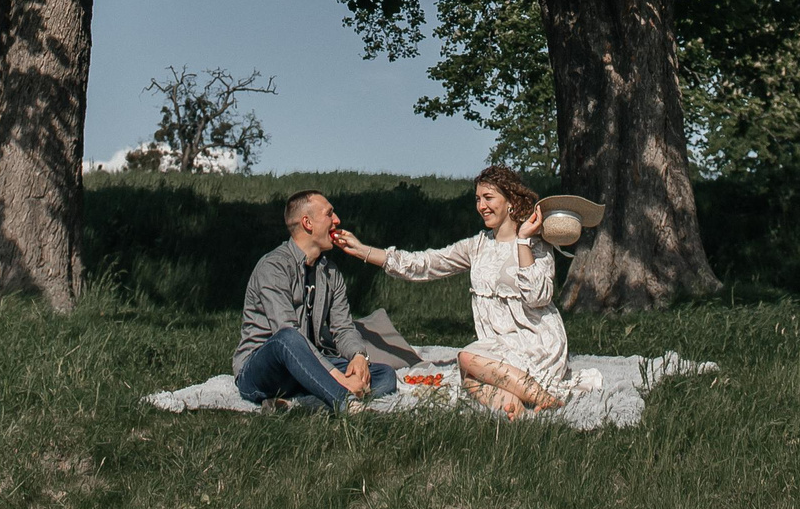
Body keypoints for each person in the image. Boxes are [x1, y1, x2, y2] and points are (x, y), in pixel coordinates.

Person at [334, 164, 572, 419]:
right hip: (497, 347)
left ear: (511, 201)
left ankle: (544, 398)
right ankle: (515, 410)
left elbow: (539, 297)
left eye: (489, 198)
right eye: (478, 199)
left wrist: (524, 240)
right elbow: (424, 264)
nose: (481, 206)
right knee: (469, 380)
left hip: (536, 342)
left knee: (466, 358)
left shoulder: (537, 244)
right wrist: (364, 251)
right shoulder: (477, 246)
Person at [234, 189, 397, 412]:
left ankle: (297, 405)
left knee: (384, 374)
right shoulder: (273, 267)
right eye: (330, 214)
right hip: (265, 371)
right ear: (307, 223)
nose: (337, 220)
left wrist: (359, 357)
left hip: (311, 368)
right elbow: (285, 332)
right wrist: (338, 377)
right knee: (288, 338)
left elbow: (343, 328)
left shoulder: (330, 272)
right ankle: (345, 403)